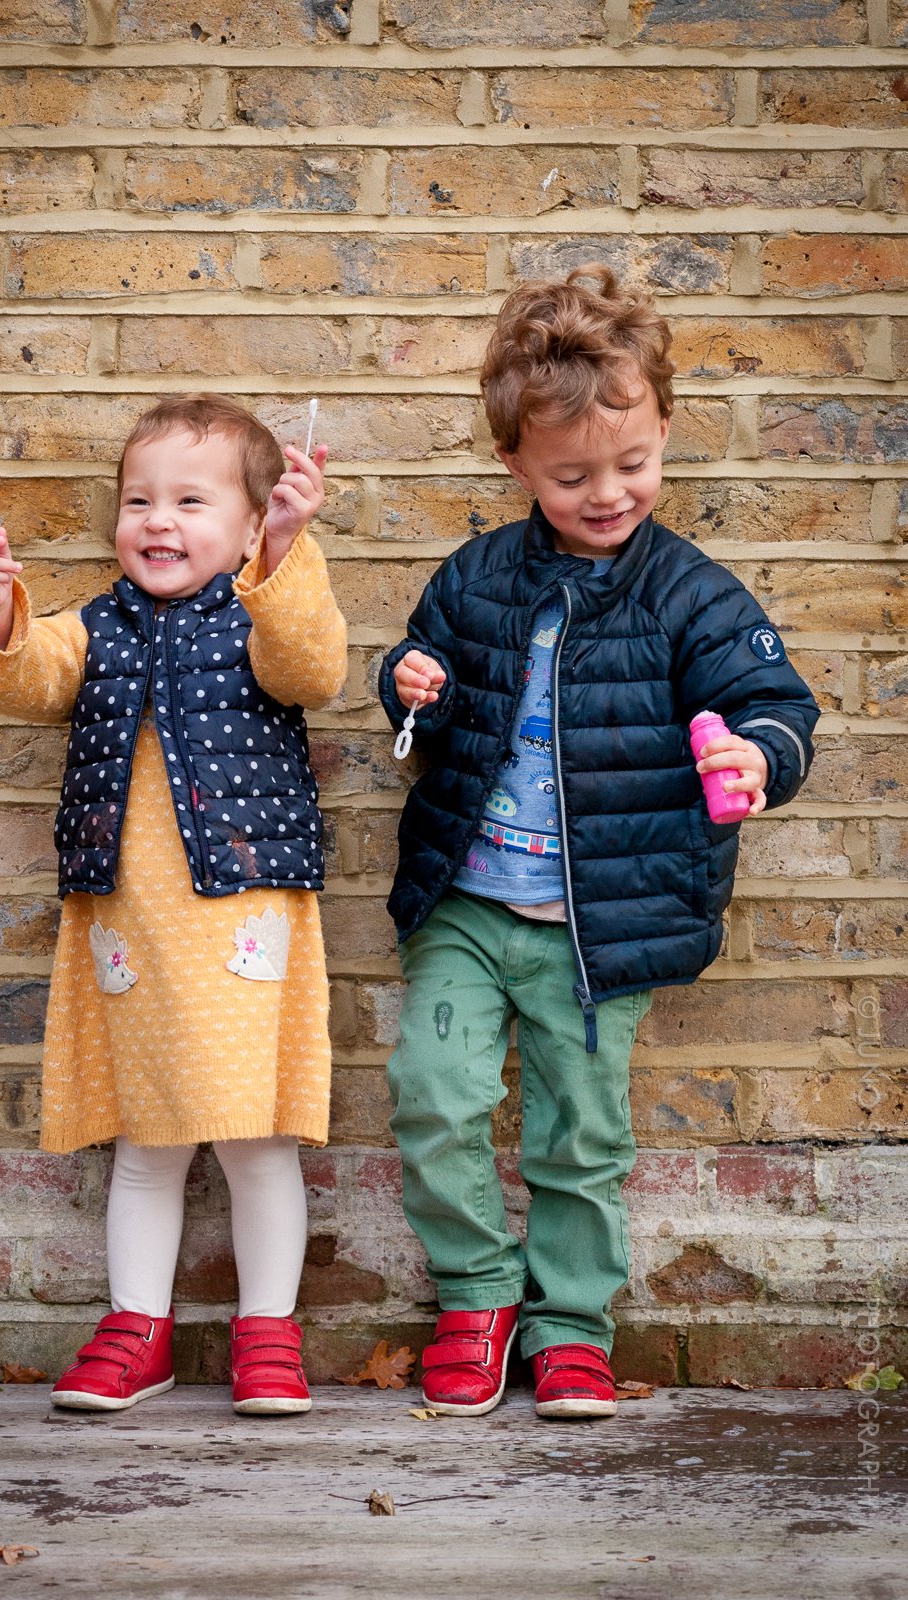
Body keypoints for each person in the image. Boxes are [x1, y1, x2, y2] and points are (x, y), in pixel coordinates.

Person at [379, 267, 820, 1420]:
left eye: (632, 465)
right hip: (469, 904)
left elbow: (775, 699)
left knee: (583, 1134)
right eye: (573, 476)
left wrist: (758, 756)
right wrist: (406, 682)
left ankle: (573, 1323)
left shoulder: (693, 595)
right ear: (516, 464)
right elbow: (420, 687)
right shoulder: (478, 576)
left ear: (665, 429)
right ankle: (477, 1295)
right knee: (434, 1091)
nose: (608, 492)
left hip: (601, 921)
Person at [0, 394, 347, 1416]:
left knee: (254, 1136)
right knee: (146, 1138)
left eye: (188, 500)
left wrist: (287, 555)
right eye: (139, 500)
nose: (158, 520)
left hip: (243, 915)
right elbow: (28, 679)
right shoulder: (99, 625)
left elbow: (313, 665)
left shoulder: (260, 611)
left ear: (253, 522)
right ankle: (139, 1326)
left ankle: (268, 1327)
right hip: (130, 918)